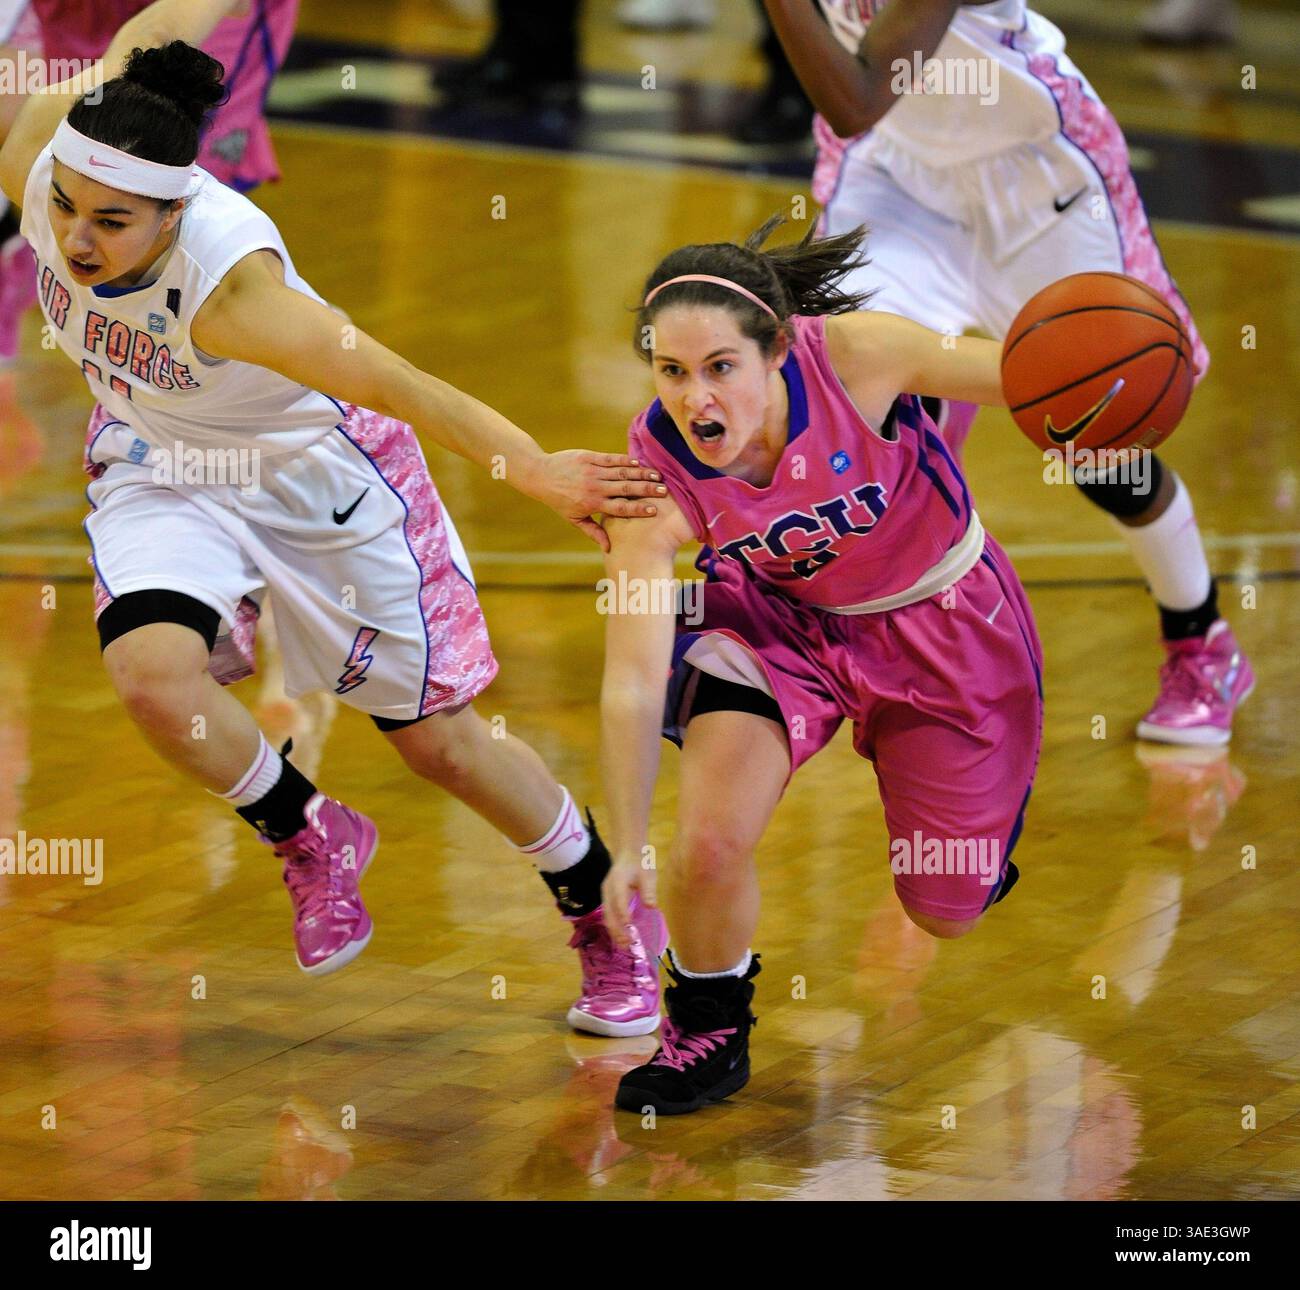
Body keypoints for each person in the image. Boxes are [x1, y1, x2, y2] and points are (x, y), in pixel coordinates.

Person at [0, 0, 670, 1037]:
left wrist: (535, 469)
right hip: (161, 460)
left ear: (174, 215)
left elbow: (405, 385)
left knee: (440, 745)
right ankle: (306, 830)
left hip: (319, 480)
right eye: (69, 212)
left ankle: (599, 904)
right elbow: (145, 41)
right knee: (149, 673)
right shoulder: (48, 156)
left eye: (110, 223)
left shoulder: (235, 294)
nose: (75, 241)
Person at [597, 216, 1043, 1114]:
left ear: (777, 353)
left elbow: (1027, 374)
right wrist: (628, 839)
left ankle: (981, 838)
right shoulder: (654, 475)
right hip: (775, 626)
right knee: (712, 840)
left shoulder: (859, 355)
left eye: (721, 367)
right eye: (672, 372)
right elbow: (633, 681)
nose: (695, 398)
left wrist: (1107, 378)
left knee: (943, 907)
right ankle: (707, 1028)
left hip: (943, 622)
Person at [764, 0, 1253, 746]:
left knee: (1099, 449)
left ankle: (1202, 642)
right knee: (863, 406)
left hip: (1039, 184)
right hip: (898, 177)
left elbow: (857, 96)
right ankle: (881, 652)